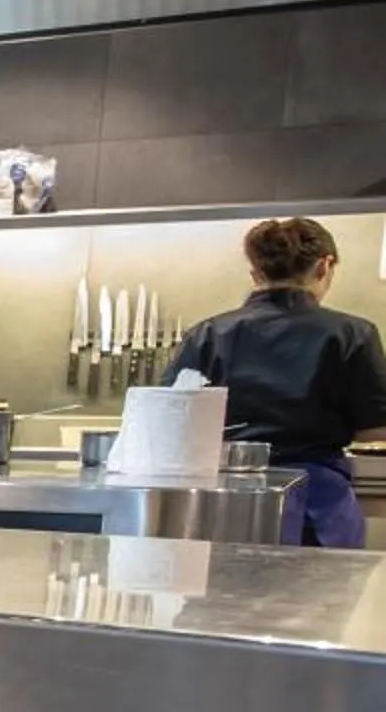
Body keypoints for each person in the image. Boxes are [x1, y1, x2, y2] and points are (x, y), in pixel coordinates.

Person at [163, 216, 386, 548]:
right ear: (324, 267)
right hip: (317, 503)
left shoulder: (207, 334)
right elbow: (377, 426)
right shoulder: (353, 334)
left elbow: (167, 419)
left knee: (220, 596)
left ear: (255, 275)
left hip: (223, 500)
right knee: (319, 597)